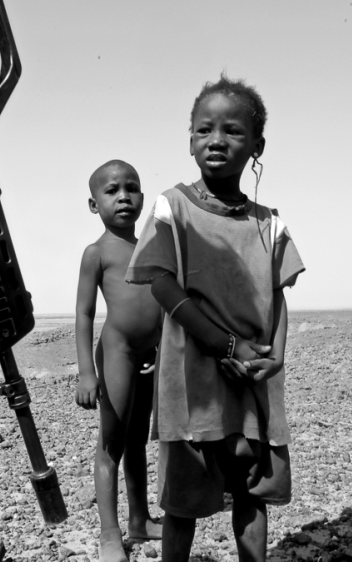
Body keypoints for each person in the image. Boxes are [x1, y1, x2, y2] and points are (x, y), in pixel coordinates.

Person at [126, 75, 301, 562]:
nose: (217, 141)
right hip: (193, 384)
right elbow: (163, 286)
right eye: (204, 130)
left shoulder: (270, 223)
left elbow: (279, 296)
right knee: (183, 501)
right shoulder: (172, 207)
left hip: (253, 380)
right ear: (190, 141)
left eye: (232, 131)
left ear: (257, 145)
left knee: (252, 489)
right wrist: (227, 345)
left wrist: (275, 359)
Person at [75, 160, 163, 562]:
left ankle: (140, 520)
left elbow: (164, 300)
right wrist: (86, 373)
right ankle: (110, 535)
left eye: (132, 188)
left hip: (150, 355)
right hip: (117, 353)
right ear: (94, 205)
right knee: (112, 445)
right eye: (112, 191)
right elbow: (84, 315)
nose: (124, 197)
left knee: (137, 441)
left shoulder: (153, 244)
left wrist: (164, 349)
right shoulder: (96, 253)